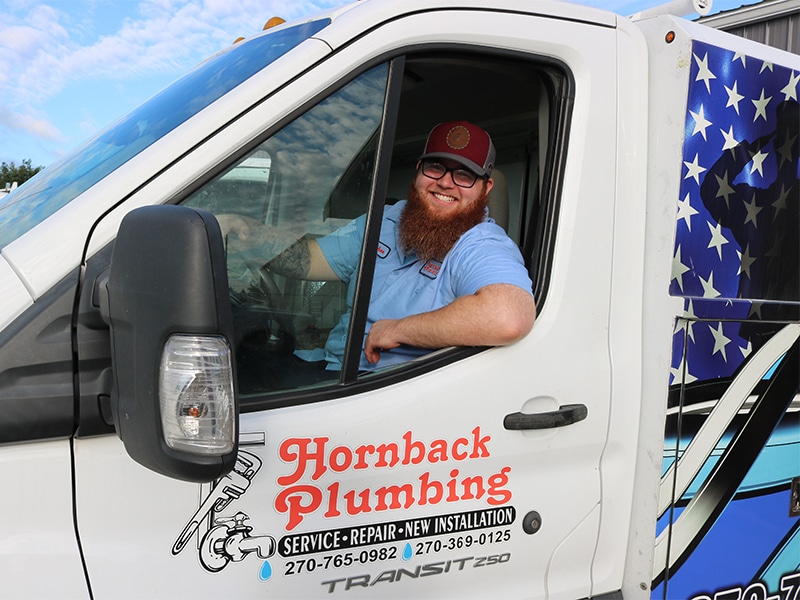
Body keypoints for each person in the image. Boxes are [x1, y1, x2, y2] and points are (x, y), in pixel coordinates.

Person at [220, 121, 535, 378]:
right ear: (419, 170)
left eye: (464, 174)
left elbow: (509, 317)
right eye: (435, 167)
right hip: (329, 367)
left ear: (486, 188)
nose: (445, 183)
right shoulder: (388, 219)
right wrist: (244, 229)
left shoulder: (482, 244)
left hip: (379, 387)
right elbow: (309, 260)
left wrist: (401, 329)